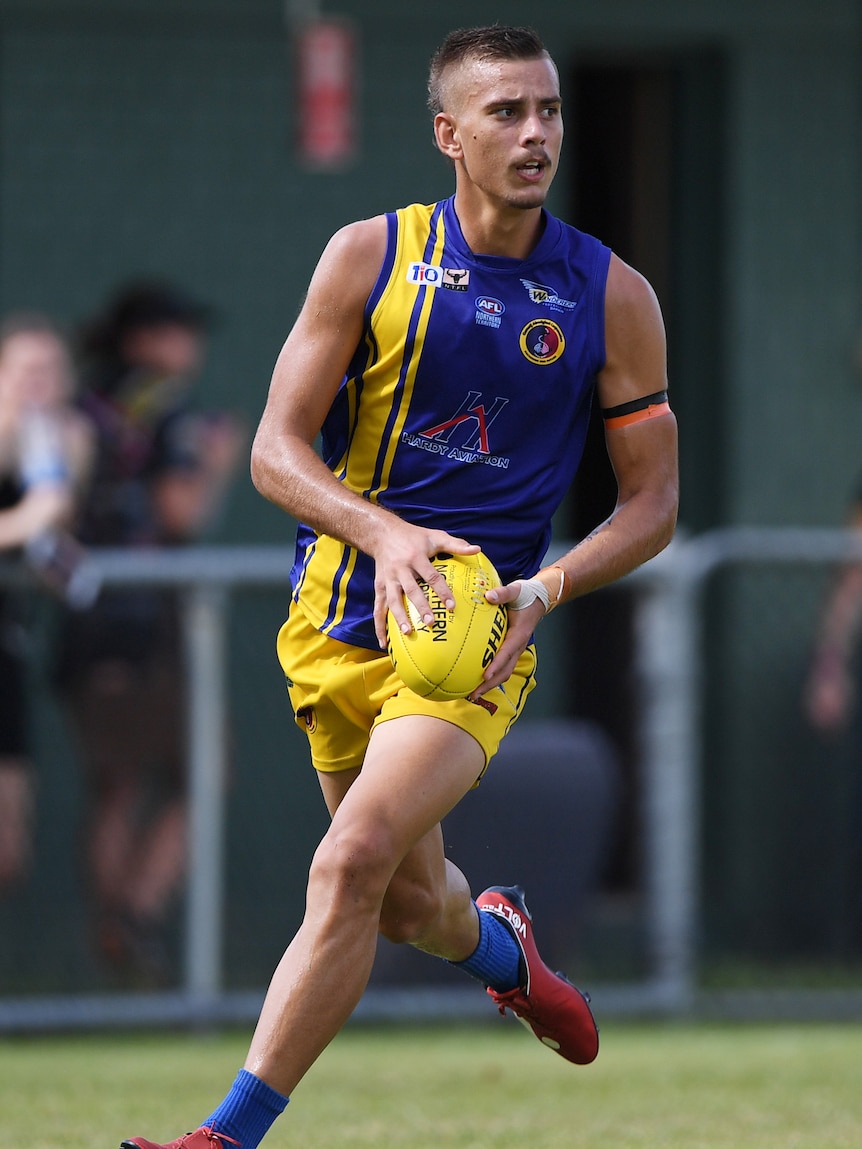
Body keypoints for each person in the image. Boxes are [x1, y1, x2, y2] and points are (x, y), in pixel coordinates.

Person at [121, 24, 678, 1149]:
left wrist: (549, 588)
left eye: (549, 111)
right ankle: (503, 950)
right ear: (446, 135)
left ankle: (224, 1136)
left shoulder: (610, 296)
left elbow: (652, 503)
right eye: (506, 113)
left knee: (353, 857)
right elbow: (275, 453)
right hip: (336, 613)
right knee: (414, 905)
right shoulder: (365, 257)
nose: (535, 134)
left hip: (477, 633)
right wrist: (382, 536)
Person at [52, 281, 245, 983]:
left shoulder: (82, 402)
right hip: (138, 621)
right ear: (142, 339)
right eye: (175, 329)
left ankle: (118, 931)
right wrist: (220, 463)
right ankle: (128, 919)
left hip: (81, 614)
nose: (187, 345)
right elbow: (179, 511)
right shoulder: (165, 407)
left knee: (118, 785)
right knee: (200, 772)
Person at [0, 312, 94, 893]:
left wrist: (51, 498)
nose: (39, 383)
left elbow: (53, 539)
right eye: (25, 370)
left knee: (9, 848)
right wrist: (29, 518)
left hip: (8, 654)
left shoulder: (63, 440)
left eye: (51, 371)